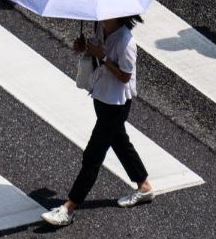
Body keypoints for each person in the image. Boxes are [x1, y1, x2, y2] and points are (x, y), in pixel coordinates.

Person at [42, 15, 152, 226]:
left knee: (93, 154)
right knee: (119, 141)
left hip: (116, 104)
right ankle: (144, 185)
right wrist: (85, 48)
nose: (102, 14)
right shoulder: (100, 27)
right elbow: (94, 54)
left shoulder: (126, 41)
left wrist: (102, 57)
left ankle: (69, 208)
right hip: (101, 95)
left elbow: (125, 76)